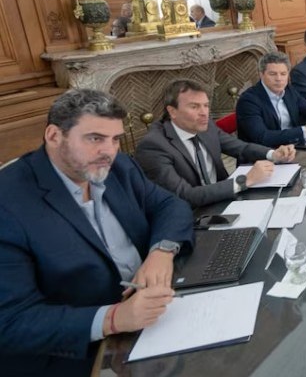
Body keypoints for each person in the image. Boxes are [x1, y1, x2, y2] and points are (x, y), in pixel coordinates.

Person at [0, 89, 194, 376]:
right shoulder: (8, 202)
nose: (109, 151)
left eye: (115, 139)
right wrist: (113, 319)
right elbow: (11, 321)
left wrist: (162, 251)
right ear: (54, 136)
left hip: (157, 313)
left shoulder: (118, 167)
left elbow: (171, 205)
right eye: (95, 138)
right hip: (79, 351)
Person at [135, 79, 296, 209]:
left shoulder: (205, 126)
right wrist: (244, 180)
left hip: (225, 200)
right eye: (194, 106)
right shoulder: (153, 146)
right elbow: (185, 196)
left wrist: (273, 154)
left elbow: (241, 147)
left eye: (206, 105)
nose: (204, 112)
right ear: (172, 111)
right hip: (194, 217)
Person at [236, 51, 306, 148]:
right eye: (273, 74)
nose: (279, 79)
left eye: (283, 74)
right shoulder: (248, 101)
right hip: (264, 155)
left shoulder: (288, 89)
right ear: (261, 75)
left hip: (294, 146)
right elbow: (262, 137)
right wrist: (305, 130)